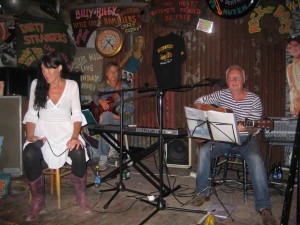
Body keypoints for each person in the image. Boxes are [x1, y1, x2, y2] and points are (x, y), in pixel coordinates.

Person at [192, 65, 276, 225]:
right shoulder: (221, 94)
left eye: (237, 77)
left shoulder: (254, 99)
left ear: (244, 80)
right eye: (230, 78)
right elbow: (200, 100)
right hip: (223, 139)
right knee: (204, 151)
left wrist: (247, 127)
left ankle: (264, 207)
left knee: (257, 161)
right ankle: (202, 192)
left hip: (246, 140)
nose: (234, 81)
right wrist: (200, 107)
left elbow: (256, 127)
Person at [22, 52, 91, 221]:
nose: (45, 72)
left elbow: (76, 115)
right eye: (43, 68)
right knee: (29, 152)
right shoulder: (37, 84)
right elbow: (31, 115)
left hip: (67, 132)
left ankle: (80, 195)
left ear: (59, 68)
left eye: (49, 68)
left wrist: (75, 137)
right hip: (43, 132)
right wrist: (30, 135)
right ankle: (38, 201)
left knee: (78, 151)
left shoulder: (72, 85)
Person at [92, 62, 134, 170]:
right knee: (105, 117)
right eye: (111, 72)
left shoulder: (124, 86)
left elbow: (131, 107)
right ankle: (108, 153)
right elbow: (94, 95)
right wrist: (100, 100)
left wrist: (119, 116)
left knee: (105, 119)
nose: (114, 74)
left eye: (116, 72)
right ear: (106, 73)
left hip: (122, 119)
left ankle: (107, 154)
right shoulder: (101, 85)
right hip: (106, 118)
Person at [286, 36, 300, 117]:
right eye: (290, 47)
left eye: (296, 45)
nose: (293, 49)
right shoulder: (290, 67)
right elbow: (292, 89)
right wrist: (294, 107)